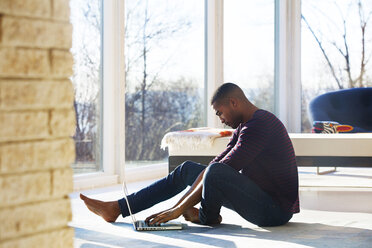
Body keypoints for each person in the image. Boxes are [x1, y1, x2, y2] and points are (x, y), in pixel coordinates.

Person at [80, 82, 300, 227]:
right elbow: (218, 162)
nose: (220, 119)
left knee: (215, 172)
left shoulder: (260, 124)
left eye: (220, 112)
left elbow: (222, 170)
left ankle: (207, 217)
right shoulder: (245, 125)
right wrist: (181, 205)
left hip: (274, 211)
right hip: (259, 198)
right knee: (188, 169)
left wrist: (177, 209)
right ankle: (118, 208)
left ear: (234, 102)